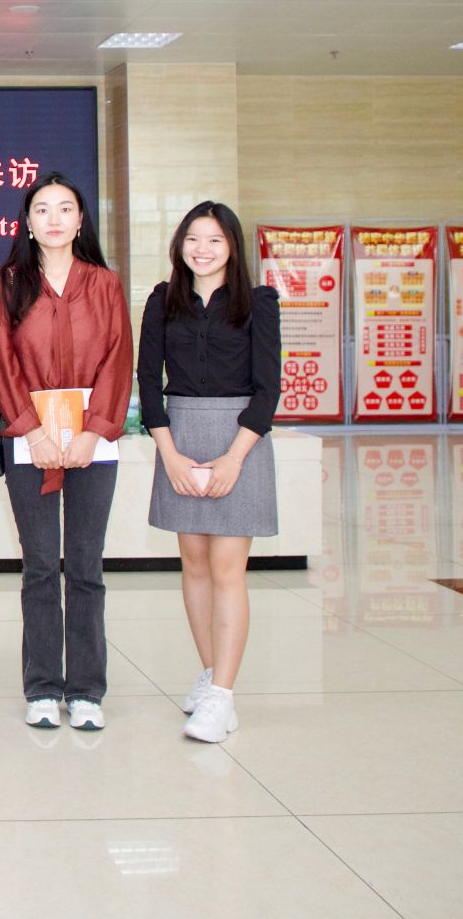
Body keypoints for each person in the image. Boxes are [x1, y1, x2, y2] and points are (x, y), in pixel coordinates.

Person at [0, 173, 131, 732]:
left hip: (94, 440)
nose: (53, 218)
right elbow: (1, 361)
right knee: (41, 566)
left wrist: (95, 431)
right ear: (27, 221)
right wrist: (32, 432)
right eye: (42, 209)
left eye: (64, 208)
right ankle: (43, 686)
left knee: (86, 567)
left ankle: (86, 689)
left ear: (80, 219)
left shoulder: (105, 284)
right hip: (30, 440)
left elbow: (119, 357)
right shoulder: (5, 283)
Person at [138, 200, 281, 745]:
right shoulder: (162, 300)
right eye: (194, 239)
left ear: (233, 247)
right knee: (194, 565)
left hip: (239, 439)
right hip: (180, 436)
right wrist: (169, 453)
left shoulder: (259, 302)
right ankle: (210, 673)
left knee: (227, 568)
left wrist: (234, 458)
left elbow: (268, 390)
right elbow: (148, 381)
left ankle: (223, 694)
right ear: (180, 245)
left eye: (215, 240)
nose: (202, 249)